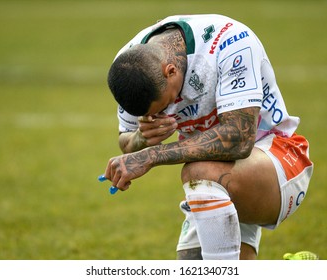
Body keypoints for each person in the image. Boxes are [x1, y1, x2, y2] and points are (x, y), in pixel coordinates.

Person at [103, 14, 314, 260]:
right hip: (213, 185)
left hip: (279, 159)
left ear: (170, 71)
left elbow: (238, 138)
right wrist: (141, 139)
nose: (163, 115)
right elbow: (126, 140)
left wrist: (152, 155)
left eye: (164, 105)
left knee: (196, 171)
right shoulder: (129, 66)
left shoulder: (231, 42)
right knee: (193, 262)